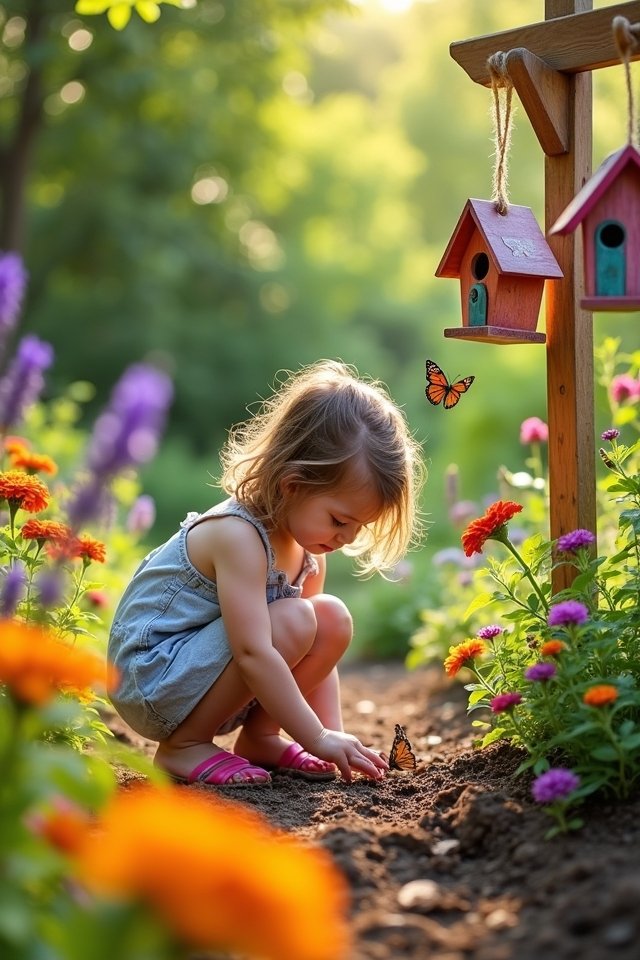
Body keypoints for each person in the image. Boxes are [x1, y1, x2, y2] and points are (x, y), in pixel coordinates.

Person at [108, 360, 424, 787]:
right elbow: (254, 651)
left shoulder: (309, 551)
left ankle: (261, 736)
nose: (347, 537)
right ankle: (184, 746)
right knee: (296, 618)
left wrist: (332, 735)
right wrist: (316, 736)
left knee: (329, 616)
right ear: (292, 484)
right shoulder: (237, 536)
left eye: (359, 527)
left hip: (203, 680)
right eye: (338, 519)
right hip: (152, 680)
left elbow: (314, 650)